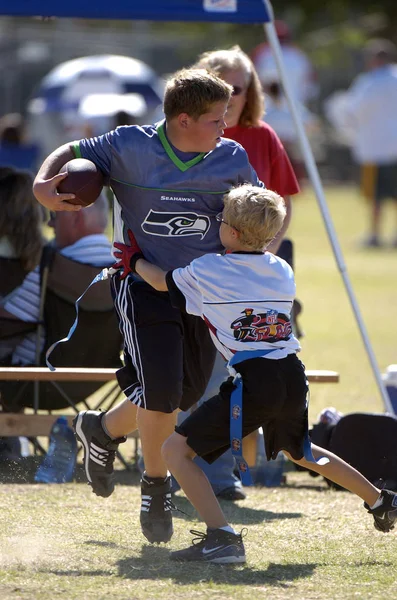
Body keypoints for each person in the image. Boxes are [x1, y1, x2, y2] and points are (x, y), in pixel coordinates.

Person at [32, 68, 264, 545]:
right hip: (140, 282)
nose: (225, 128)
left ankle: (99, 429)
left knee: (184, 396)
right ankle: (154, 488)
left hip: (203, 291)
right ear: (183, 119)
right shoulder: (128, 146)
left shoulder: (233, 158)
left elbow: (258, 214)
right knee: (160, 390)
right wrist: (41, 184)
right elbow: (71, 153)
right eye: (216, 119)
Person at [126, 183, 397, 563]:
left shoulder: (209, 269)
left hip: (255, 381)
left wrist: (133, 259)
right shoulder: (281, 269)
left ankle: (221, 537)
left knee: (174, 451)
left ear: (231, 233)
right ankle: (381, 499)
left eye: (221, 221)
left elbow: (160, 281)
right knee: (301, 452)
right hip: (291, 374)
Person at [190, 46, 300, 497]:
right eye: (226, 86)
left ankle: (248, 467)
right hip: (204, 274)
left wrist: (259, 257)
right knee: (204, 370)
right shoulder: (191, 134)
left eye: (243, 87)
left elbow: (284, 202)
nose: (234, 96)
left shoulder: (263, 135)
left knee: (259, 370)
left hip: (257, 274)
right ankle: (203, 470)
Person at [1, 192, 112, 369]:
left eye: (54, 215)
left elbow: (6, 325)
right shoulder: (125, 269)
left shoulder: (53, 267)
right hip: (92, 381)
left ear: (76, 218)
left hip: (30, 381)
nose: (49, 223)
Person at [325, 39, 397, 248]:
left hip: (375, 147)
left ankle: (375, 235)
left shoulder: (369, 82)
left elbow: (353, 112)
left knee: (376, 195)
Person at [251, 20, 318, 107]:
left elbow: (250, 78)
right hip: (296, 109)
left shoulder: (261, 52)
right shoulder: (298, 54)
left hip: (267, 109)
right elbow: (311, 82)